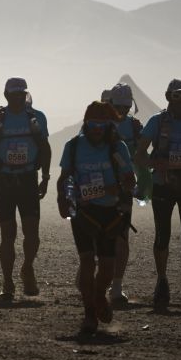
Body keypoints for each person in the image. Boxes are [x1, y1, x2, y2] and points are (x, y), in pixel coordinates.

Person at [57, 101, 136, 333]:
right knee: (87, 261)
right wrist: (63, 199)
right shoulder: (73, 147)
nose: (98, 129)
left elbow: (130, 180)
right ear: (86, 123)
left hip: (110, 214)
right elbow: (63, 178)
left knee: (108, 268)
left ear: (110, 125)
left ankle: (100, 295)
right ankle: (89, 314)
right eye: (93, 124)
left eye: (103, 124)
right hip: (83, 213)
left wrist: (121, 187)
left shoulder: (118, 148)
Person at [0, 78, 51, 303]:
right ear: (6, 95)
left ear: (24, 94)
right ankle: (7, 282)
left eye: (21, 93)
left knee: (32, 232)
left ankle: (27, 268)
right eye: (13, 94)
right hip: (4, 181)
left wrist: (45, 178)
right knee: (8, 234)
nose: (17, 97)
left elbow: (45, 149)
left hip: (28, 179)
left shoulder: (36, 118)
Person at [134, 79, 181, 309]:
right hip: (162, 186)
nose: (179, 102)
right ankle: (162, 282)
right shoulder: (156, 121)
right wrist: (154, 165)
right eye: (175, 97)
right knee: (162, 235)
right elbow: (140, 153)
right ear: (168, 97)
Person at [106, 82, 147, 306]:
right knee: (97, 236)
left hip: (123, 189)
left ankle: (117, 287)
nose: (121, 111)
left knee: (121, 237)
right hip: (98, 189)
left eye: (125, 106)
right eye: (117, 106)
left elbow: (142, 155)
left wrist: (144, 184)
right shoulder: (97, 124)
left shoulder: (135, 126)